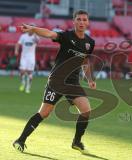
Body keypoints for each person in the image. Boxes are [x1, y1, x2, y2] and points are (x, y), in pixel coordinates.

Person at [13, 10, 96, 154]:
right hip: (57, 80)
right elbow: (49, 33)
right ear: (74, 21)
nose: (82, 22)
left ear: (88, 22)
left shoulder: (90, 42)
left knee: (86, 111)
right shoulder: (66, 36)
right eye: (79, 19)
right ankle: (20, 140)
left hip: (72, 83)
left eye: (84, 20)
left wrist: (90, 79)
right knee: (44, 113)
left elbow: (85, 61)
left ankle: (76, 142)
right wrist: (33, 29)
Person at [15, 25, 39, 93]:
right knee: (22, 71)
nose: (31, 30)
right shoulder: (23, 36)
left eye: (32, 29)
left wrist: (35, 36)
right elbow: (17, 44)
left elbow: (37, 42)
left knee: (29, 73)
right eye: (30, 29)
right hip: (24, 56)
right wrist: (16, 50)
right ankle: (23, 82)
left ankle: (28, 87)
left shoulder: (35, 36)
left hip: (31, 57)